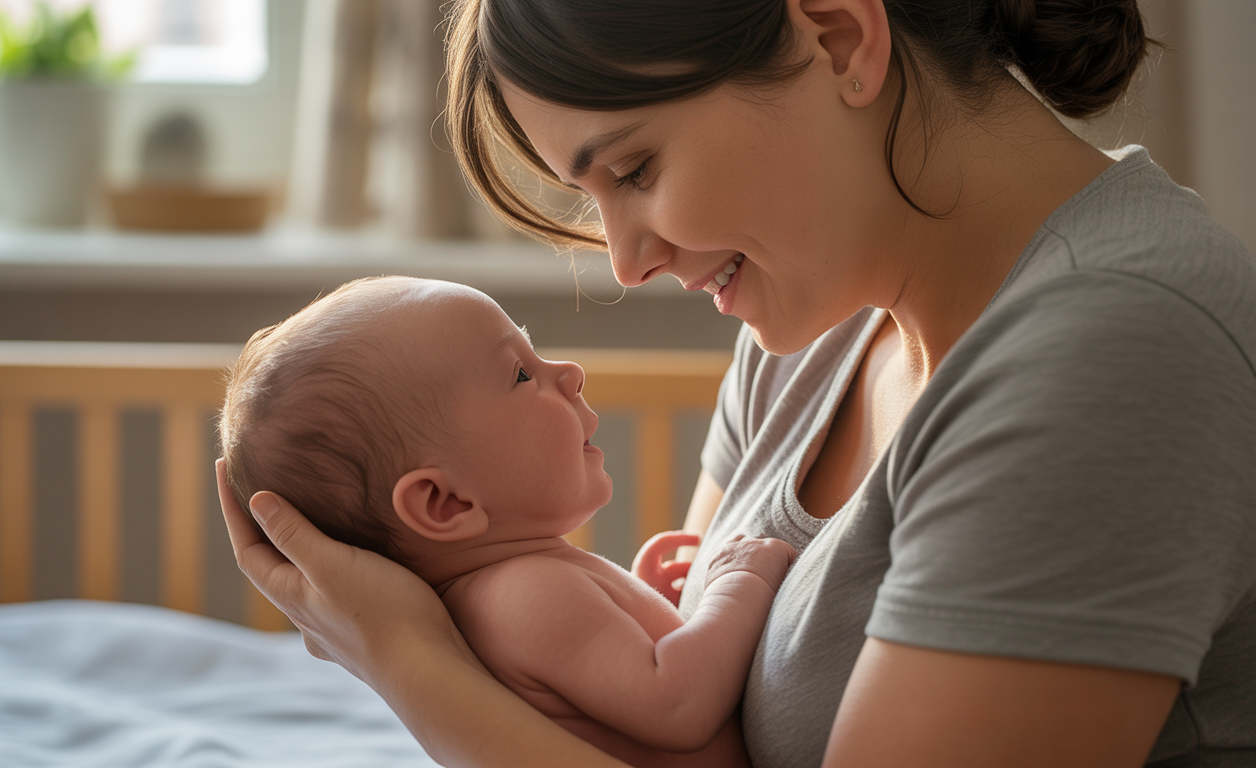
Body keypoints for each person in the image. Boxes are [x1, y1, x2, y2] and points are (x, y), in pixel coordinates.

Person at [218, 0, 1256, 765]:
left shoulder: (1114, 350)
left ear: (838, 39)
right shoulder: (812, 320)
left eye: (634, 170)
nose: (626, 262)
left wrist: (410, 665)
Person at [218, 275, 797, 768]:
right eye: (521, 374)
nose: (570, 372)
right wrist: (738, 582)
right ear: (444, 504)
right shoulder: (528, 594)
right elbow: (680, 705)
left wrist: (654, 614)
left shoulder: (495, 602)